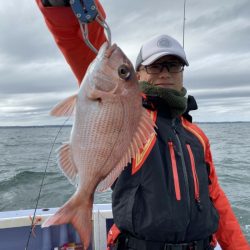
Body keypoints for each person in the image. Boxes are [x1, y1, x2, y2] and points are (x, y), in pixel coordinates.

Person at [37, 1, 249, 249]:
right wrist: (57, 7)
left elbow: (215, 198)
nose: (165, 73)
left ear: (182, 71)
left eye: (174, 65)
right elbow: (83, 44)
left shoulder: (197, 136)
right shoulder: (131, 115)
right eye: (155, 65)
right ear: (138, 74)